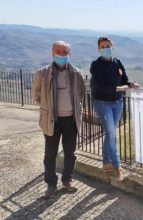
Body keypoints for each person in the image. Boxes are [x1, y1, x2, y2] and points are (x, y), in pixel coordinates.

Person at [32, 40, 86, 199]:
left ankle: (67, 180)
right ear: (52, 53)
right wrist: (47, 107)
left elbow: (81, 92)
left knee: (70, 153)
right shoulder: (42, 73)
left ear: (69, 54)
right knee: (50, 154)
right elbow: (36, 94)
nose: (62, 54)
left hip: (71, 120)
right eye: (59, 51)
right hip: (51, 121)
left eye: (65, 52)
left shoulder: (76, 73)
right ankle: (51, 184)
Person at [90, 36, 140, 179]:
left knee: (110, 134)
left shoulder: (117, 63)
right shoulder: (96, 65)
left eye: (108, 46)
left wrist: (131, 84)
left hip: (118, 103)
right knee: (112, 135)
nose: (106, 49)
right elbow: (101, 87)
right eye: (103, 47)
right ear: (99, 49)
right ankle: (117, 166)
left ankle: (106, 163)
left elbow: (124, 79)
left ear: (113, 46)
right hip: (102, 103)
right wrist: (120, 89)